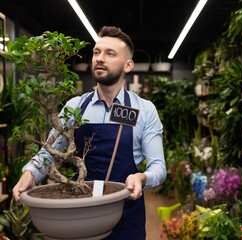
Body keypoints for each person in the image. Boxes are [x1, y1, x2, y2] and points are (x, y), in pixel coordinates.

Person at [12, 26, 166, 240]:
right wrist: (30, 174)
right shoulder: (75, 107)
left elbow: (158, 167)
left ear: (128, 65)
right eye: (96, 52)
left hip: (126, 219)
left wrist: (141, 178)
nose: (100, 58)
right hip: (80, 215)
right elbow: (48, 152)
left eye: (110, 53)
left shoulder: (144, 110)